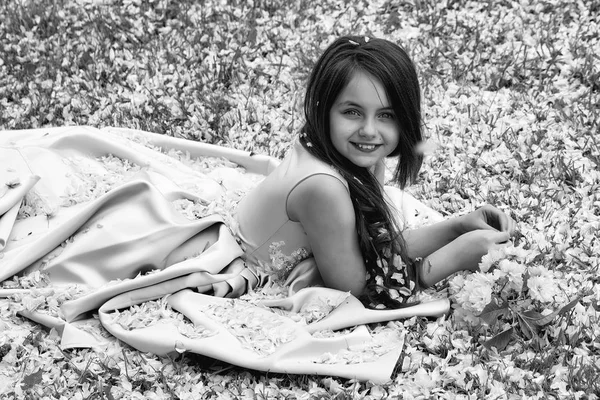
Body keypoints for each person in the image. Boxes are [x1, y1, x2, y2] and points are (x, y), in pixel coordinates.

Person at [235, 35, 516, 309]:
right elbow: (359, 292)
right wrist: (456, 256)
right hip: (256, 268)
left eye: (386, 115)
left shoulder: (357, 155)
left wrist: (458, 227)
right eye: (352, 112)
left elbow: (378, 247)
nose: (369, 131)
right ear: (325, 109)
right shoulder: (323, 189)